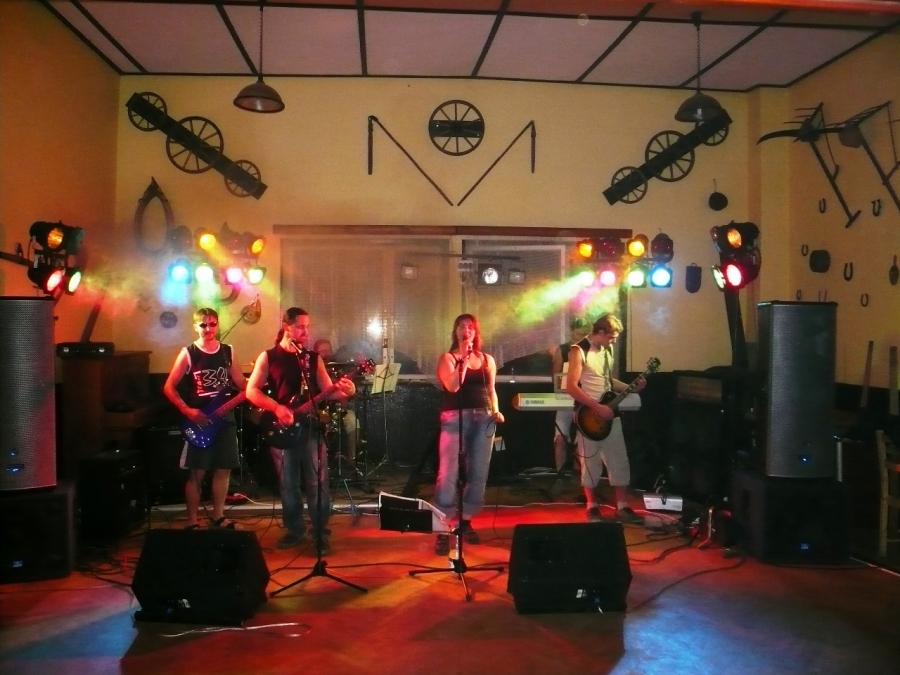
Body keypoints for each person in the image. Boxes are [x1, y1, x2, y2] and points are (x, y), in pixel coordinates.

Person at [246, 308, 355, 553]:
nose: (305, 331)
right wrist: (277, 408)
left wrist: (347, 391)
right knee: (288, 483)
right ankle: (294, 530)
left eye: (307, 327)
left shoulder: (312, 359)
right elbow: (251, 391)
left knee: (318, 482)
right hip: (280, 428)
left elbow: (328, 391)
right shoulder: (269, 356)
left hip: (311, 428)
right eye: (300, 327)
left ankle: (319, 532)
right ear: (286, 326)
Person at [163, 308, 246, 529]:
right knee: (197, 472)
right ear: (195, 327)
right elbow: (169, 387)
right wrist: (187, 411)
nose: (208, 329)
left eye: (212, 324)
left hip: (225, 418)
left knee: (224, 468)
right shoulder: (189, 352)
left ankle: (218, 516)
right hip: (200, 419)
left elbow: (240, 383)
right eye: (203, 325)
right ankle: (192, 520)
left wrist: (258, 382)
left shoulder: (228, 351)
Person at [432, 313, 505, 555]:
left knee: (478, 472)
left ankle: (465, 522)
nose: (467, 330)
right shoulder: (448, 358)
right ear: (456, 332)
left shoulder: (487, 359)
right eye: (462, 326)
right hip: (454, 418)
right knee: (448, 473)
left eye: (471, 327)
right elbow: (453, 386)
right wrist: (462, 358)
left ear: (476, 332)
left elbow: (491, 390)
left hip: (484, 417)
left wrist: (496, 410)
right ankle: (443, 526)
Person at [566, 313, 645, 525]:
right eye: (611, 337)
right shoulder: (578, 350)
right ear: (600, 332)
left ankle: (622, 506)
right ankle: (591, 506)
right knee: (590, 461)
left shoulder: (606, 350)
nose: (613, 341)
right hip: (588, 415)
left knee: (619, 459)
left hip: (610, 413)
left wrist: (631, 387)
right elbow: (571, 387)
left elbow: (608, 381)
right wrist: (597, 407)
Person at [313, 338, 372, 490]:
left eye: (328, 350)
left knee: (353, 421)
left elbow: (345, 400)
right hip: (317, 411)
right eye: (322, 351)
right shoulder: (312, 370)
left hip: (337, 410)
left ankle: (350, 461)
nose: (326, 354)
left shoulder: (338, 370)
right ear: (316, 353)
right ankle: (321, 467)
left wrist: (347, 391)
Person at [551, 317, 591, 472]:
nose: (581, 338)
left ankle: (580, 474)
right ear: (571, 332)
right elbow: (555, 378)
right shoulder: (563, 350)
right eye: (578, 334)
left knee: (582, 439)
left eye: (584, 335)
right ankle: (560, 472)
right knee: (560, 436)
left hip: (585, 398)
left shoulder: (591, 350)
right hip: (565, 397)